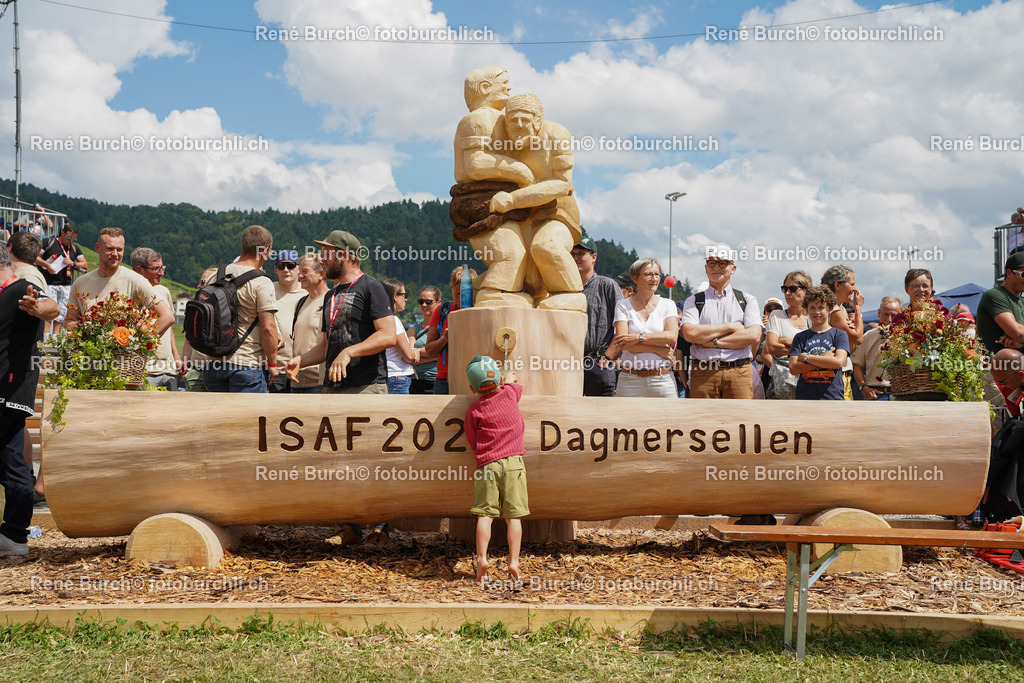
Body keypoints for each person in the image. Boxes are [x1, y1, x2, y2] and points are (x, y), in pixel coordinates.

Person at [0, 247, 59, 556]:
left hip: (9, 393)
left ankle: (14, 534)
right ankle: (13, 535)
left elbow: (52, 307)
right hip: (8, 394)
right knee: (12, 465)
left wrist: (38, 309)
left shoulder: (21, 288)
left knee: (13, 466)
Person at [286, 230, 395, 395]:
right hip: (332, 387)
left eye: (326, 255)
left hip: (365, 387)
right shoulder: (331, 294)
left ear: (343, 255)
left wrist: (349, 352)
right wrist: (301, 361)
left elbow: (388, 335)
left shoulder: (372, 287)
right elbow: (325, 345)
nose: (321, 260)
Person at [463, 355, 528, 587]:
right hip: (513, 464)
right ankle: (514, 562)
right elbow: (514, 384)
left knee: (485, 515)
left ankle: (481, 558)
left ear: (472, 388)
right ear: (500, 380)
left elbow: (472, 439)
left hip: (487, 464)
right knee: (513, 517)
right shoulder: (510, 393)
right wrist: (508, 377)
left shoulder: (474, 410)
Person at [200, 226, 279, 393]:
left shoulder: (216, 275)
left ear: (243, 245)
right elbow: (268, 328)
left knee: (219, 419)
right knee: (249, 419)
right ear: (265, 250)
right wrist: (272, 364)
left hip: (213, 362)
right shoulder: (262, 282)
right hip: (247, 363)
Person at [680, 248, 762, 399]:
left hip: (739, 371)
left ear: (733, 268)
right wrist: (730, 326)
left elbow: (754, 336)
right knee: (703, 420)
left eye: (722, 263)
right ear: (706, 268)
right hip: (704, 372)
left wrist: (713, 342)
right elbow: (690, 333)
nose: (716, 267)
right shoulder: (694, 301)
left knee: (741, 420)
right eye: (711, 263)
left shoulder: (747, 299)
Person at [65, 228, 174, 336]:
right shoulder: (80, 283)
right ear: (97, 248)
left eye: (119, 250)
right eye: (110, 249)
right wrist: (86, 328)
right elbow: (68, 323)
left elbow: (167, 316)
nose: (115, 254)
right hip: (88, 352)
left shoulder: (136, 280)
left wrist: (141, 344)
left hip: (124, 353)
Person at [605, 258, 678, 398]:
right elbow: (623, 343)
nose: (654, 278)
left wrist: (638, 338)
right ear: (635, 278)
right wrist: (657, 349)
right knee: (625, 420)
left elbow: (671, 336)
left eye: (657, 274)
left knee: (668, 419)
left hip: (662, 380)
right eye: (648, 274)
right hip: (629, 379)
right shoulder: (622, 305)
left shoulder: (668, 304)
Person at [572, 232, 621, 396]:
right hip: (568, 364)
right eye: (572, 254)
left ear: (593, 257)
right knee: (570, 416)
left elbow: (623, 326)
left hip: (598, 363)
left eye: (581, 254)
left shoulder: (608, 286)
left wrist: (607, 357)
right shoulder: (564, 289)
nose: (575, 258)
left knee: (602, 418)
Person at [130, 247, 183, 390]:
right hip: (146, 371)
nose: (162, 273)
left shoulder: (163, 291)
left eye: (162, 268)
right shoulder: (130, 296)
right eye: (156, 269)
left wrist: (176, 357)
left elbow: (168, 328)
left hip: (168, 369)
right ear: (139, 270)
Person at [789, 285, 850, 401]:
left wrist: (806, 357)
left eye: (821, 307)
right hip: (805, 399)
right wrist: (825, 359)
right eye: (812, 308)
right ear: (806, 310)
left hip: (832, 398)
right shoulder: (800, 337)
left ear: (830, 309)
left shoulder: (840, 335)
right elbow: (793, 368)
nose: (816, 312)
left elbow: (838, 362)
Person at [424, 265, 477, 395]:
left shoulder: (480, 310)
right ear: (451, 290)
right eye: (457, 293)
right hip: (444, 380)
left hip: (474, 377)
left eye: (465, 293)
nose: (460, 298)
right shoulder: (442, 310)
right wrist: (445, 338)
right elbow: (430, 351)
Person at [34, 222, 86, 336]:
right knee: (49, 312)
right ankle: (46, 337)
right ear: (62, 233)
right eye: (69, 238)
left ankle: (56, 337)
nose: (71, 241)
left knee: (62, 314)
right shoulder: (49, 243)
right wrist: (47, 266)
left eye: (73, 239)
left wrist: (73, 263)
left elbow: (84, 264)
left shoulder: (74, 248)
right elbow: (36, 257)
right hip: (49, 283)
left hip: (66, 285)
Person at [765, 271, 812, 400]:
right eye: (784, 289)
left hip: (812, 384)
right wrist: (806, 351)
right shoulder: (777, 315)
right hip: (782, 388)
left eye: (793, 288)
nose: (787, 293)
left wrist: (787, 342)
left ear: (806, 290)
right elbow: (772, 348)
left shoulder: (814, 317)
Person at [820, 264, 864, 400]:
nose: (854, 289)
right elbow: (857, 338)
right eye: (852, 284)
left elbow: (851, 346)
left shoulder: (839, 309)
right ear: (837, 285)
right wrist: (858, 309)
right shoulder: (834, 310)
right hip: (835, 374)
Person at [290, 255, 328, 393]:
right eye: (299, 272)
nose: (299, 275)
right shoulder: (300, 303)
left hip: (318, 383)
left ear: (321, 274)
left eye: (305, 271)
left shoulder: (330, 301)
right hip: (296, 381)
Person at [853, 297, 903, 400]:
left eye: (894, 315)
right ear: (879, 313)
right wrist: (863, 387)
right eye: (886, 314)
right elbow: (858, 367)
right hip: (875, 395)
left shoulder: (907, 337)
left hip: (901, 395)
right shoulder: (868, 336)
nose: (889, 319)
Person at [270, 250, 306, 393]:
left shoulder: (308, 292)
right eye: (281, 266)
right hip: (275, 369)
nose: (286, 270)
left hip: (302, 368)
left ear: (298, 268)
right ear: (275, 269)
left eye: (290, 266)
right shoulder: (267, 290)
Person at [182, 267, 218, 392]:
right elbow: (188, 340)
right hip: (196, 371)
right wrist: (185, 367)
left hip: (217, 372)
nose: (198, 285)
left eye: (203, 282)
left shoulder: (225, 310)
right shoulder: (195, 308)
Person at [382, 278, 419, 394]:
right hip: (398, 377)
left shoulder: (379, 320)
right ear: (395, 297)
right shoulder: (393, 320)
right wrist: (415, 352)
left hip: (386, 376)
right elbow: (408, 356)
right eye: (404, 295)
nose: (406, 299)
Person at [410, 286, 442, 394]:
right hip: (416, 382)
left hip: (438, 381)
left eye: (428, 302)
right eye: (421, 301)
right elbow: (410, 357)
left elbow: (445, 353)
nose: (424, 305)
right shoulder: (413, 329)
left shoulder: (444, 327)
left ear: (439, 302)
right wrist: (435, 356)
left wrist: (418, 351)